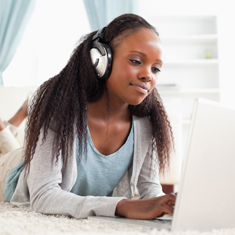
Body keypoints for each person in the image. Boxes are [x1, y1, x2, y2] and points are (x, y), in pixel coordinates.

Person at [1, 13, 176, 220]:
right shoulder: (61, 108)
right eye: (136, 61)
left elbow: (150, 189)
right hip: (11, 172)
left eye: (156, 68)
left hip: (33, 159)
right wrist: (122, 206)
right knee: (13, 152)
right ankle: (15, 119)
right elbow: (42, 195)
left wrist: (168, 205)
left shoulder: (145, 122)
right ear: (101, 59)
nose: (148, 75)